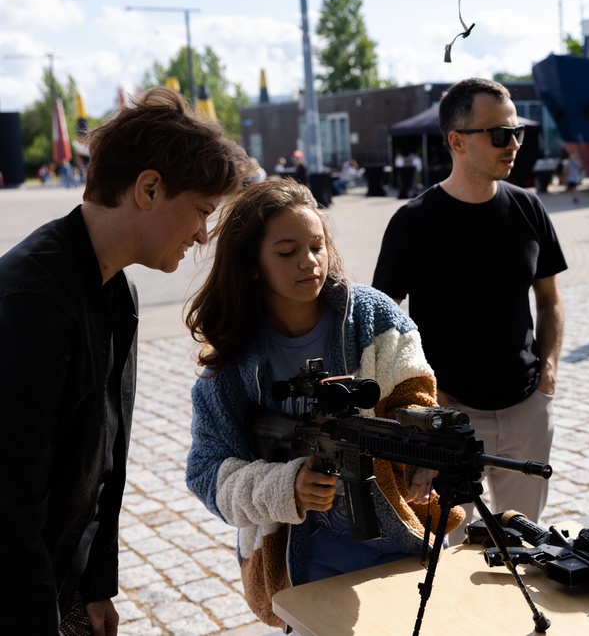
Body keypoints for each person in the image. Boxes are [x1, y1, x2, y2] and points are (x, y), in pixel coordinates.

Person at [0, 86, 250, 636]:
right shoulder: (33, 300)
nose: (202, 235)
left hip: (60, 583)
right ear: (149, 188)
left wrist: (95, 585)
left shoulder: (118, 292)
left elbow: (106, 457)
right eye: (201, 212)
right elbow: (10, 499)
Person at [184, 179, 464, 628]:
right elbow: (206, 473)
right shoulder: (234, 359)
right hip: (301, 564)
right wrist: (286, 487)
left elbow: (416, 399)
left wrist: (426, 452)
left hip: (403, 538)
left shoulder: (373, 317)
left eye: (317, 246)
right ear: (252, 263)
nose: (309, 262)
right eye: (286, 251)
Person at [372, 78, 567, 543]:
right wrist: (421, 404)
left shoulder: (528, 208)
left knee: (525, 546)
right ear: (457, 141)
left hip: (526, 409)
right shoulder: (414, 221)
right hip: (449, 415)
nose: (514, 143)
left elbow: (550, 299)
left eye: (517, 131)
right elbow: (383, 321)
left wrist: (549, 371)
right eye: (500, 134)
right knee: (447, 550)